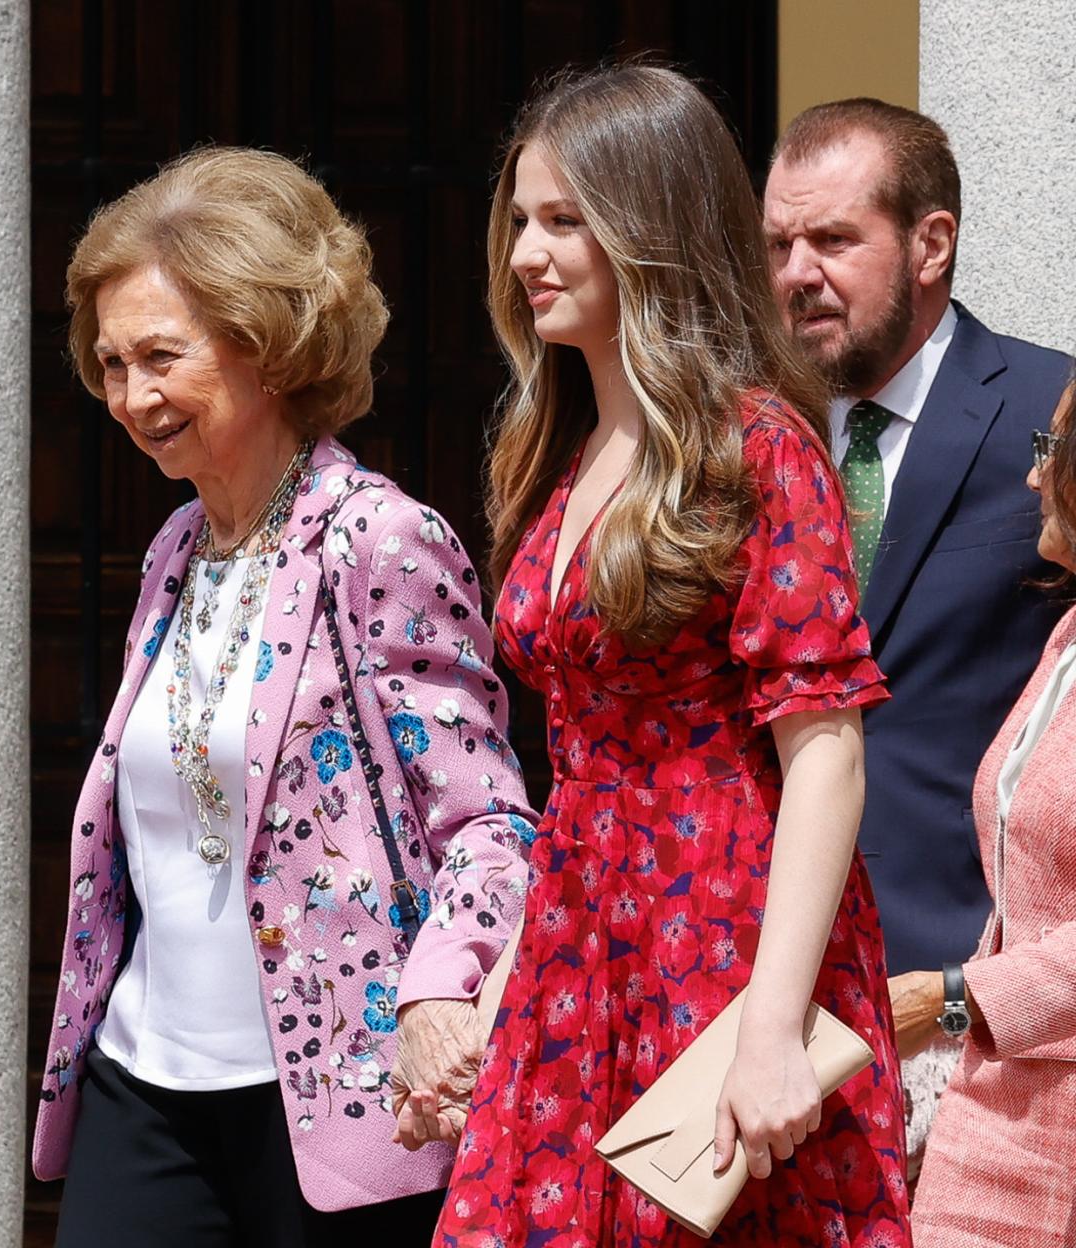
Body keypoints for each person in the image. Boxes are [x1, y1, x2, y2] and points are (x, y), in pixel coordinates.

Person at [433, 65, 910, 1247]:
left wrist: (769, 1027)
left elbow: (826, 754)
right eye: (520, 222)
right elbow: (583, 773)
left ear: (651, 229)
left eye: (564, 221)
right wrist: (505, 991)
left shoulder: (757, 448)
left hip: (725, 938)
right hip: (582, 938)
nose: (526, 255)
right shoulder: (564, 447)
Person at [31, 147, 538, 1247]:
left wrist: (443, 995)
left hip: (327, 1109)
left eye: (162, 357)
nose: (131, 397)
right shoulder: (176, 548)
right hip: (143, 1083)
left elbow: (491, 823)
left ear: (267, 347)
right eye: (112, 365)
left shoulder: (378, 541)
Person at [763, 99, 1070, 980]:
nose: (797, 273)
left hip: (969, 974)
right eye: (780, 245)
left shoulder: (1051, 417)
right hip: (756, 969)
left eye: (832, 240)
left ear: (931, 245)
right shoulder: (745, 436)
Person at [903, 389, 1076, 1247]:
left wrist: (950, 1002)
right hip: (991, 1116)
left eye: (1057, 447)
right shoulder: (1068, 633)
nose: (1034, 474)